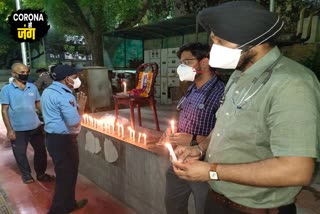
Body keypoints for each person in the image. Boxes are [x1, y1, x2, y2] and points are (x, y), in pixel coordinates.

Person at [171, 1, 320, 214]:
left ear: (253, 42)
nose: (213, 51)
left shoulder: (292, 83)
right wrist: (199, 149)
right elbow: (225, 125)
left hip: (255, 209)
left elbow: (296, 170)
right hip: (217, 200)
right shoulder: (238, 76)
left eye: (221, 42)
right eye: (213, 41)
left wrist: (211, 172)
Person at [165, 42, 225, 214]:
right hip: (179, 159)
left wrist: (192, 140)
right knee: (173, 204)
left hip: (204, 163)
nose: (181, 67)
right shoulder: (191, 88)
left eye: (187, 62)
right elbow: (182, 113)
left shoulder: (222, 93)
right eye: (181, 63)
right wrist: (171, 132)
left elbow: (223, 133)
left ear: (204, 63)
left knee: (203, 207)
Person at [41, 64, 88, 214]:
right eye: (75, 77)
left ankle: (69, 204)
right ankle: (57, 210)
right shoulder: (64, 95)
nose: (77, 79)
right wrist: (81, 107)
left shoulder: (48, 91)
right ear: (67, 79)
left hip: (53, 139)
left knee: (68, 174)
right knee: (65, 177)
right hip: (64, 142)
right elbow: (74, 121)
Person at [1, 62, 55, 184]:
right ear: (13, 74)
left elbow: (38, 104)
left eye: (27, 72)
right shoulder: (6, 90)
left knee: (41, 151)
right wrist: (10, 129)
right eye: (22, 73)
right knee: (20, 153)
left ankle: (41, 173)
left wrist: (47, 118)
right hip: (18, 129)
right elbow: (4, 110)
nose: (25, 75)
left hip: (35, 126)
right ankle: (26, 175)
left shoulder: (33, 87)